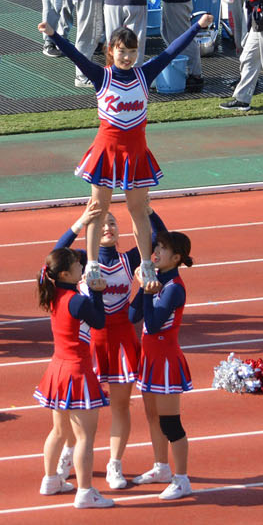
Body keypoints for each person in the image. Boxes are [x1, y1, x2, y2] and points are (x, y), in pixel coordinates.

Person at [38, 11, 212, 272]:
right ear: (111, 50)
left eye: (132, 51)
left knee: (138, 210)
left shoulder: (144, 74)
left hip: (136, 152)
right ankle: (93, 265)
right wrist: (54, 35)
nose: (127, 57)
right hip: (106, 151)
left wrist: (197, 26)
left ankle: (146, 264)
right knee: (98, 209)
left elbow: (172, 51)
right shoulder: (101, 76)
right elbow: (75, 55)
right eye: (122, 51)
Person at [54, 208, 165, 491]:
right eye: (102, 224)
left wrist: (145, 209)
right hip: (88, 342)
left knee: (120, 406)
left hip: (121, 340)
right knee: (76, 408)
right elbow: (56, 254)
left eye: (112, 223)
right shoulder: (82, 262)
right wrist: (81, 221)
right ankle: (68, 453)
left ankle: (115, 463)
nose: (108, 228)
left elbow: (159, 237)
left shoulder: (129, 259)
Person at [34, 247, 113, 509]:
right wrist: (98, 291)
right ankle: (86, 492)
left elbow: (71, 255)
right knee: (84, 437)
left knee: (58, 431)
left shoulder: (53, 293)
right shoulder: (77, 301)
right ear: (66, 274)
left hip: (57, 368)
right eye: (78, 265)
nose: (82, 267)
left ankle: (50, 480)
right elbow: (99, 322)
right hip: (77, 371)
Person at [130, 228, 195, 500]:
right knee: (153, 417)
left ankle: (182, 479)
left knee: (170, 424)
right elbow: (133, 315)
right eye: (156, 247)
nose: (156, 251)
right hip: (150, 359)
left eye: (163, 248)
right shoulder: (157, 281)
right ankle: (161, 467)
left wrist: (147, 291)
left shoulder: (174, 288)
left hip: (166, 361)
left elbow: (155, 323)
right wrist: (143, 285)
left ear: (176, 257)